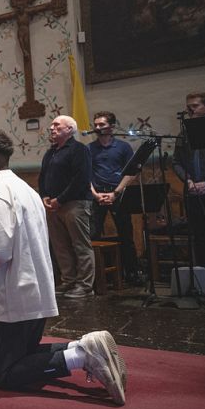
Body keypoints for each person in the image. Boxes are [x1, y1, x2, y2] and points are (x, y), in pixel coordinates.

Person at [0, 129, 126, 405]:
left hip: (12, 296)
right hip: (34, 290)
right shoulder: (26, 189)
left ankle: (82, 356)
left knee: (4, 374)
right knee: (24, 355)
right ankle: (82, 347)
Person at [39, 115, 95, 299]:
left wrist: (61, 199)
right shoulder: (51, 152)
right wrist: (44, 196)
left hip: (75, 203)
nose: (51, 128)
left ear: (69, 129)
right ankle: (69, 281)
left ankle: (85, 286)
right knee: (60, 246)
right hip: (53, 205)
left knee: (80, 245)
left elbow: (81, 178)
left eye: (56, 125)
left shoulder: (79, 149)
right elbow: (43, 176)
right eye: (51, 125)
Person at [88, 111, 138, 283]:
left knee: (126, 234)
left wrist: (115, 193)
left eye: (101, 124)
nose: (97, 127)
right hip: (97, 195)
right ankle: (96, 277)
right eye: (95, 124)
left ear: (112, 126)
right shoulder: (89, 149)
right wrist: (96, 195)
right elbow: (85, 175)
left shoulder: (123, 147)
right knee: (93, 234)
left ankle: (132, 273)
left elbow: (131, 173)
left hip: (118, 194)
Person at [173, 91, 205, 270]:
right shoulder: (184, 132)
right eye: (188, 107)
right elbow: (176, 162)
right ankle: (204, 275)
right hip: (193, 190)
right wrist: (188, 180)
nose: (190, 110)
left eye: (195, 106)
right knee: (199, 235)